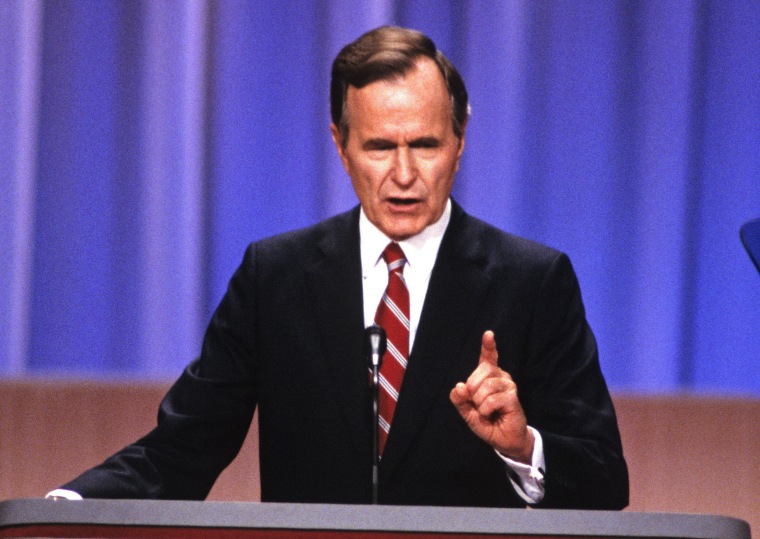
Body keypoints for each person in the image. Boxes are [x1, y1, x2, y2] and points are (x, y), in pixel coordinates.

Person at [49, 26, 628, 509]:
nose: (403, 174)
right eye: (380, 147)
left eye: (424, 145)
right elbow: (181, 450)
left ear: (460, 141)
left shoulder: (533, 281)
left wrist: (521, 447)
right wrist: (61, 511)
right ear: (340, 145)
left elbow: (606, 481)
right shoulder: (273, 277)